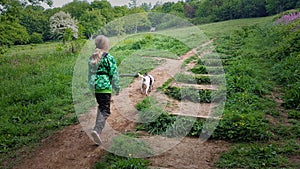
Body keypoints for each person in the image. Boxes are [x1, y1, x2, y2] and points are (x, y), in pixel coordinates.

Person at [88, 35, 120, 145]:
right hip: (105, 87)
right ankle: (97, 130)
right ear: (106, 46)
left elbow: (90, 73)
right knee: (106, 110)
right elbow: (114, 74)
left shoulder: (92, 57)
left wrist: (91, 87)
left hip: (96, 87)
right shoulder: (108, 57)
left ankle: (96, 129)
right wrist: (117, 87)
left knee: (101, 107)